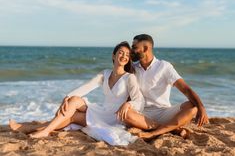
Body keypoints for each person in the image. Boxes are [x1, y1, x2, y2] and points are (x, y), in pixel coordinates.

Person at [9, 41, 157, 145]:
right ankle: (44, 130)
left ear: (129, 59)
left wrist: (128, 104)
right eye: (120, 52)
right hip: (102, 110)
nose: (124, 56)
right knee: (73, 100)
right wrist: (67, 97)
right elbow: (87, 86)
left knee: (72, 117)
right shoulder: (105, 74)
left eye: (127, 54)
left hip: (113, 117)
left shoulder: (129, 77)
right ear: (113, 55)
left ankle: (31, 128)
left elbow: (139, 100)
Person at [117, 34, 209, 140]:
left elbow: (185, 89)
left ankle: (153, 133)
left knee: (193, 107)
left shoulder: (164, 67)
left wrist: (201, 108)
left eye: (134, 47)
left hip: (164, 113)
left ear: (145, 48)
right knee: (124, 113)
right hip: (141, 114)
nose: (131, 50)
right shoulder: (133, 68)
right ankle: (171, 129)